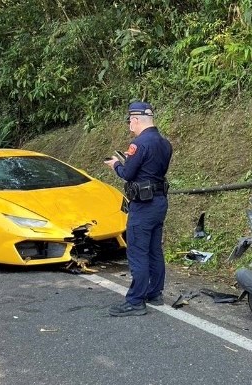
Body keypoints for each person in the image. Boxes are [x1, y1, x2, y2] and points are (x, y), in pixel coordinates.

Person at [104, 101, 172, 317]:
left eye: (129, 121)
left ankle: (135, 301)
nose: (129, 126)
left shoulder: (139, 144)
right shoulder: (164, 143)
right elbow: (150, 169)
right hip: (159, 201)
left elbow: (128, 174)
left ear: (135, 120)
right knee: (154, 250)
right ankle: (155, 293)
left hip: (143, 205)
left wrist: (116, 164)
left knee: (137, 252)